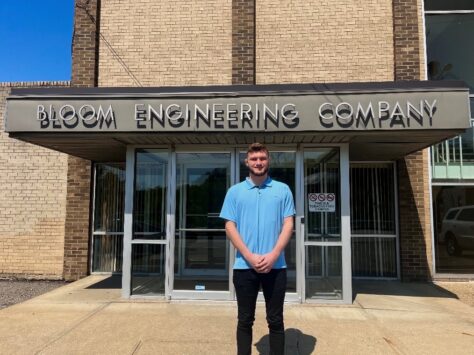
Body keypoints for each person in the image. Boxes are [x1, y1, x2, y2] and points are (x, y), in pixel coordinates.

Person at [220, 142, 295, 355]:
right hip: (244, 267)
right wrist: (249, 256)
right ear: (247, 162)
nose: (258, 162)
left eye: (262, 158)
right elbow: (229, 226)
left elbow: (288, 224)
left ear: (268, 160)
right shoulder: (235, 192)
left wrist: (273, 255)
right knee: (245, 320)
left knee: (276, 321)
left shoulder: (283, 190)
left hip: (276, 266)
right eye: (254, 159)